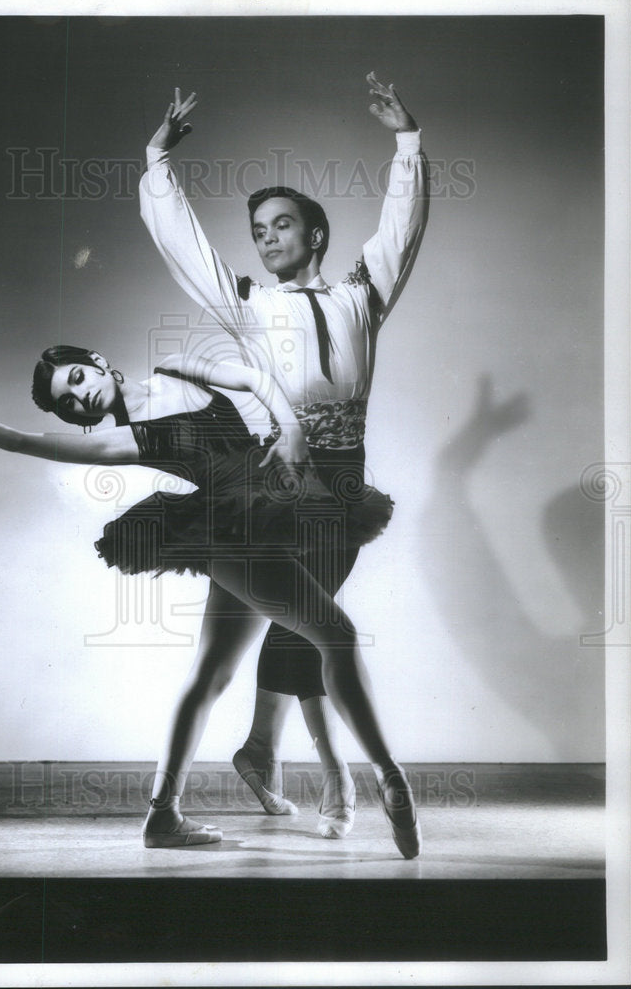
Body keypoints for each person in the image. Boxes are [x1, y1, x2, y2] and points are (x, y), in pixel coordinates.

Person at [0, 343, 420, 857]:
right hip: (231, 534)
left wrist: (288, 429)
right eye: (69, 402)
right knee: (335, 635)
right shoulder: (129, 439)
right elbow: (21, 442)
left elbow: (259, 380)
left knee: (212, 674)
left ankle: (163, 815)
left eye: (78, 379)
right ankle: (390, 777)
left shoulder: (176, 366)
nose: (80, 399)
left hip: (264, 504)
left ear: (99, 361)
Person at [139, 72, 429, 838]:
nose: (265, 236)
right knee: (306, 630)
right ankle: (346, 783)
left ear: (316, 235)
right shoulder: (248, 302)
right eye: (259, 228)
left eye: (280, 224)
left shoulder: (360, 296)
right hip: (275, 483)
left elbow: (399, 234)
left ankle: (263, 756)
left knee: (297, 628)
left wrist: (407, 143)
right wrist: (157, 163)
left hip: (342, 484)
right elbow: (187, 251)